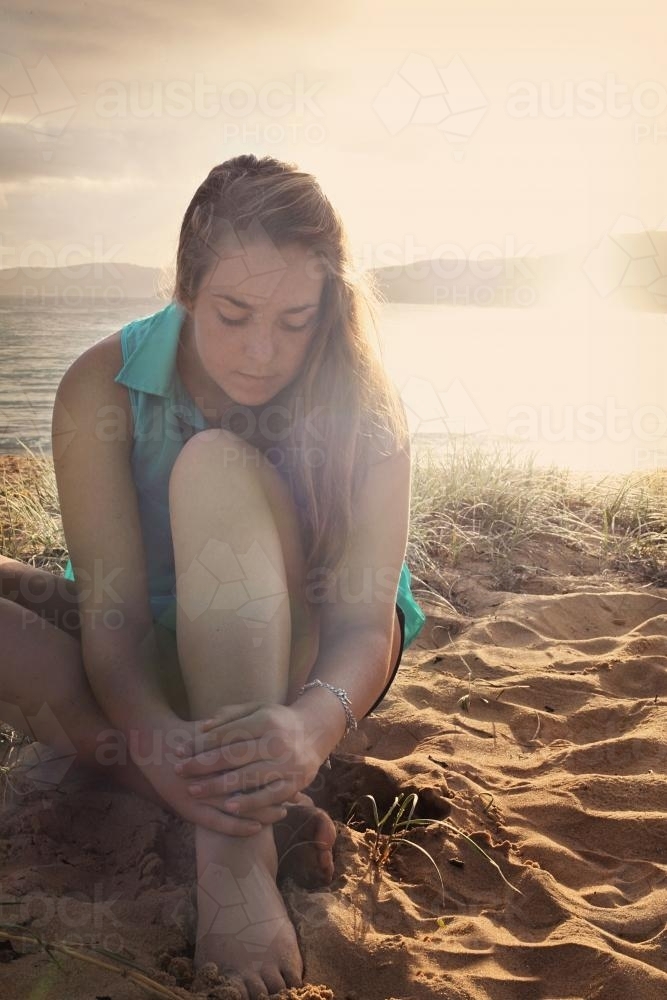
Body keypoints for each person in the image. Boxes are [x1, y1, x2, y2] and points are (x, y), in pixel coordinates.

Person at [0, 153, 425, 999]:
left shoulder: (362, 401)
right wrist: (154, 736)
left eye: (295, 319)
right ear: (187, 287)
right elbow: (114, 625)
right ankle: (236, 801)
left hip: (308, 664)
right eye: (233, 314)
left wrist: (310, 727)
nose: (263, 351)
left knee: (212, 465)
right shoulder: (102, 386)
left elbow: (363, 624)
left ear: (327, 307)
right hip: (156, 637)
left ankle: (232, 857)